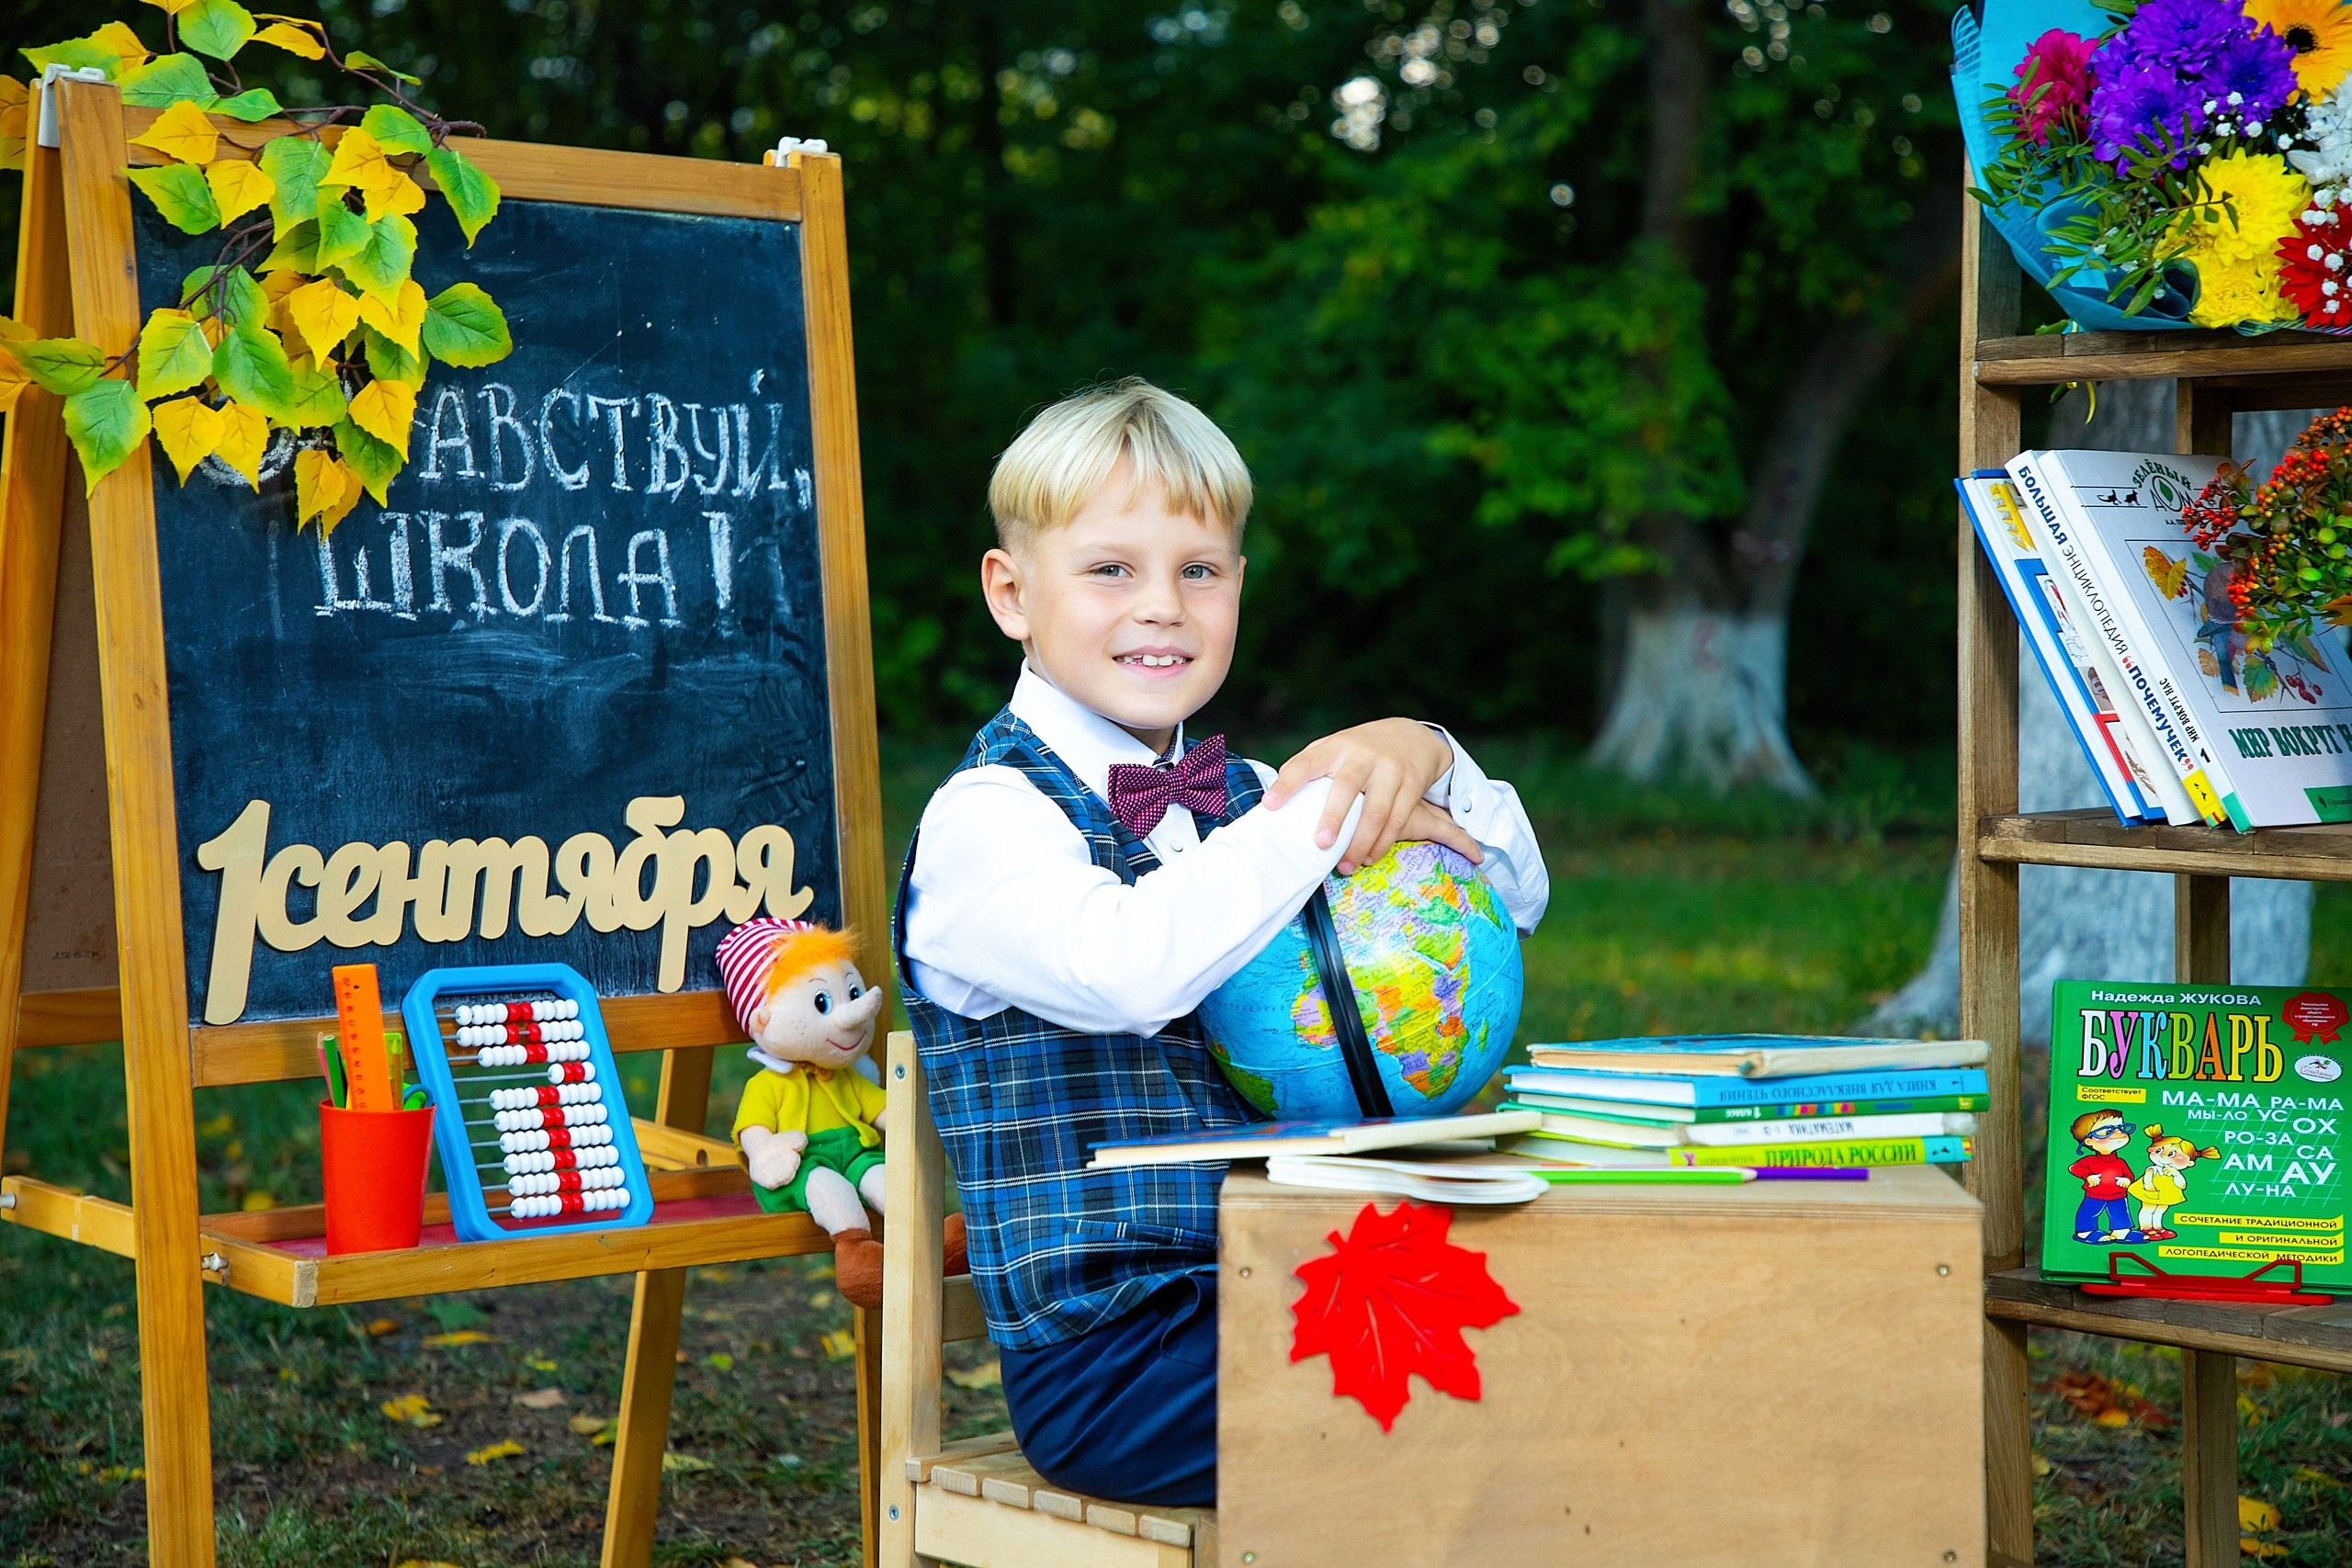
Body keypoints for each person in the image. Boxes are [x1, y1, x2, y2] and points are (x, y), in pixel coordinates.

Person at [894, 378, 1549, 1506]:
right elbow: (1125, 968)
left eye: (1198, 570)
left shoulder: (1251, 801)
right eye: (1111, 569)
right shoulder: (986, 818)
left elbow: (1514, 895)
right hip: (1120, 1357)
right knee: (1523, 1408)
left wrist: (1419, 747)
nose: (1162, 607)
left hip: (1310, 1277)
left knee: (1616, 1324)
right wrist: (1320, 810)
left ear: (1237, 587)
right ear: (1011, 592)